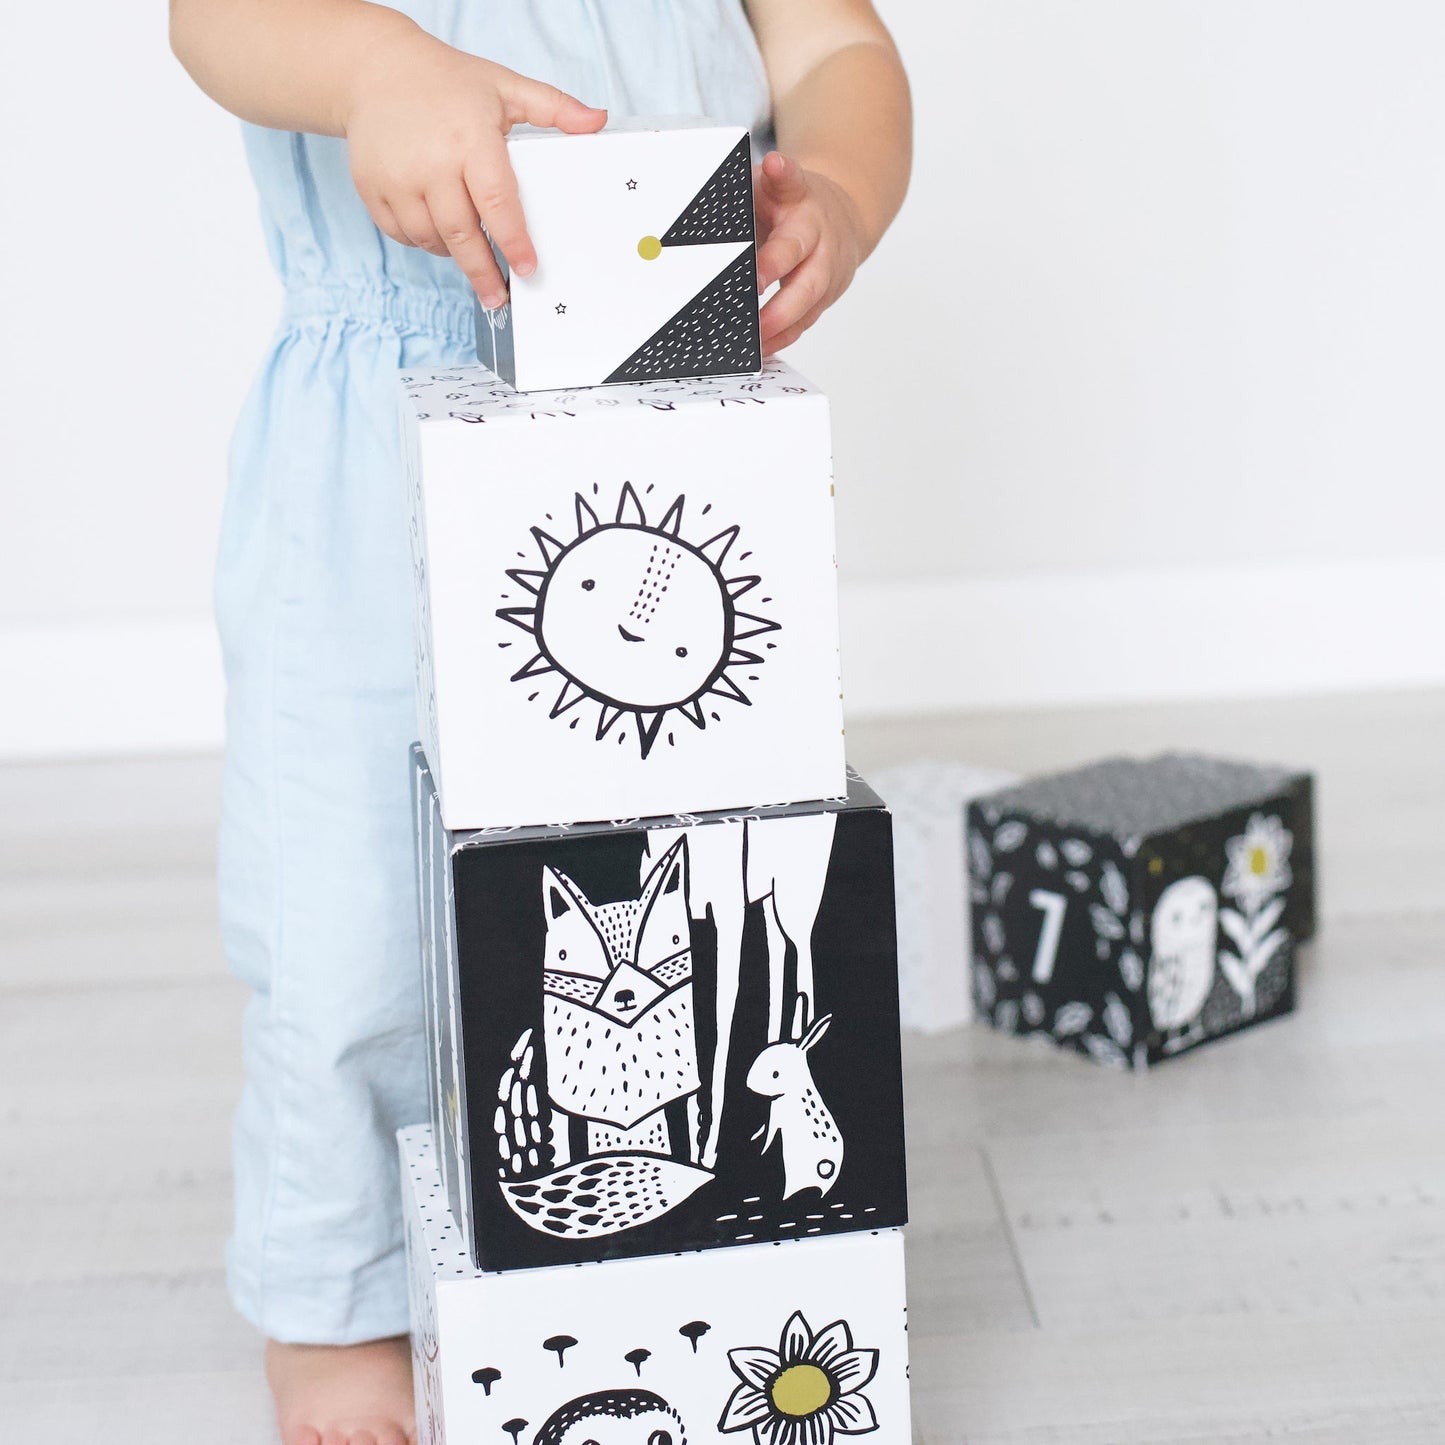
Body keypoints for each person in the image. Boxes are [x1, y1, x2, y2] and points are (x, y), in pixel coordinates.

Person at [168, 2, 911, 1441]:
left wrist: (835, 190)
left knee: (676, 877)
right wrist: (379, 66)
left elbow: (840, 54)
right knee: (350, 914)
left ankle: (664, 1229)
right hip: (376, 414)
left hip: (667, 409)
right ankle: (339, 1298)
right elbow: (217, 17)